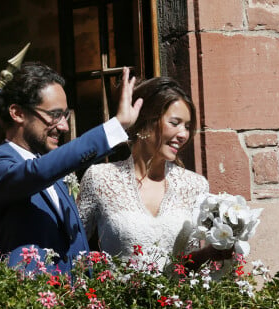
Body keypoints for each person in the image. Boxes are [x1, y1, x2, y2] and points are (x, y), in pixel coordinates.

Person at [0, 63, 142, 274]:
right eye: (54, 115)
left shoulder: (57, 175)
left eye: (65, 115)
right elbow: (38, 172)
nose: (64, 127)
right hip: (25, 303)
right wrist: (116, 126)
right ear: (17, 113)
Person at [77, 77, 231, 273]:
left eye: (187, 126)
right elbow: (74, 250)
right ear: (146, 122)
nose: (183, 134)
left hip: (180, 301)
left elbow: (188, 264)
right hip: (118, 301)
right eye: (175, 123)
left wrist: (213, 251)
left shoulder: (195, 185)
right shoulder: (100, 178)